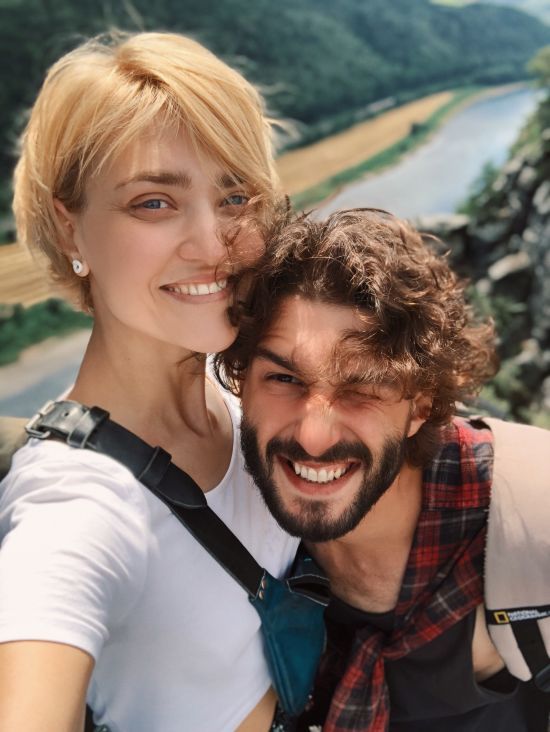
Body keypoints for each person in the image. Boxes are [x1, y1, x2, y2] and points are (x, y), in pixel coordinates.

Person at [0, 31, 300, 732]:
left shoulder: (245, 392)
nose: (212, 243)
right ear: (69, 228)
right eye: (154, 203)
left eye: (235, 196)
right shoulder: (79, 502)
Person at [215, 208, 550, 731]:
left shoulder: (532, 522)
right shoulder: (227, 540)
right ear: (240, 383)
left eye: (362, 389)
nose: (313, 436)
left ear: (421, 406)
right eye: (284, 379)